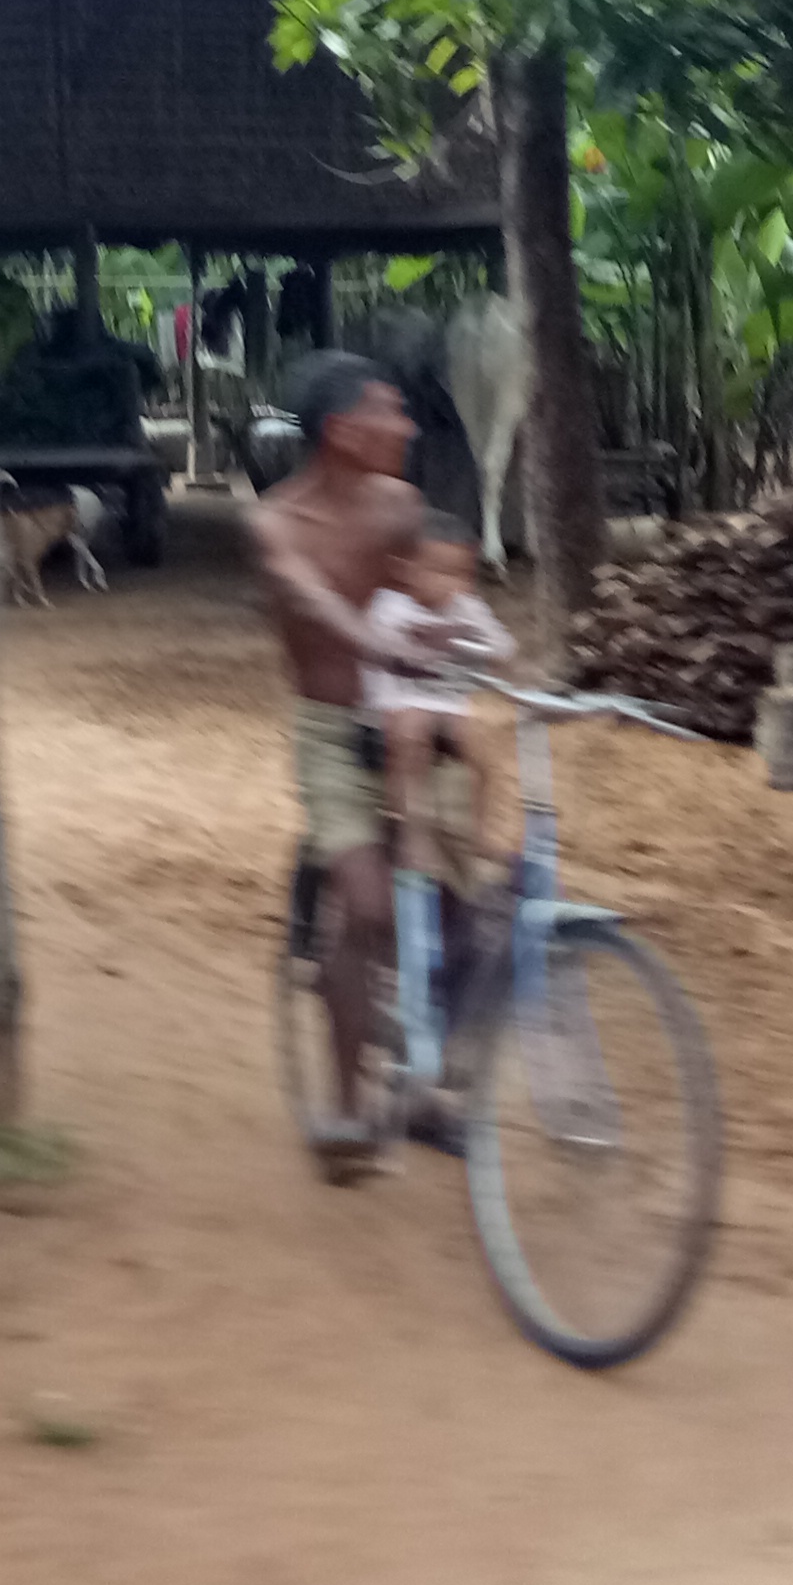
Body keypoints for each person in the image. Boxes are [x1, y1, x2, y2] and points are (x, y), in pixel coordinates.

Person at [248, 350, 427, 1169]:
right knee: (366, 909)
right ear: (342, 432)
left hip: (408, 723)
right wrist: (366, 641)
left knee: (462, 892)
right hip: (330, 733)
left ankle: (431, 1070)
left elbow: (435, 592)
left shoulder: (402, 507)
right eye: (390, 411)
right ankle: (349, 1110)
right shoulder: (276, 522)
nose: (407, 427)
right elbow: (305, 593)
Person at [366, 530, 519, 887]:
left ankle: (480, 833)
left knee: (481, 752)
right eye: (440, 572)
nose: (452, 584)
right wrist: (417, 646)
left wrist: (479, 645)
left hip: (449, 703)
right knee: (411, 737)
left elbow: (504, 648)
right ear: (407, 569)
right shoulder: (390, 607)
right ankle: (411, 832)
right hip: (399, 698)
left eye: (462, 574)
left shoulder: (467, 607)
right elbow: (377, 648)